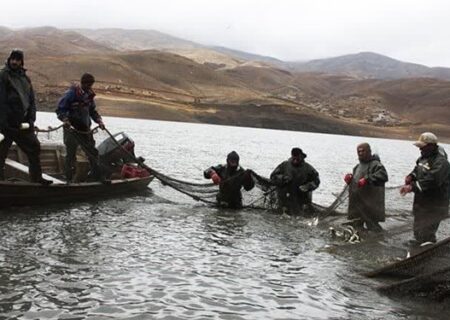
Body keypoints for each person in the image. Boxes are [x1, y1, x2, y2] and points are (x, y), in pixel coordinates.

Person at [0, 49, 52, 185]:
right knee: (0, 152)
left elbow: (31, 101)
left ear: (22, 62)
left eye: (17, 59)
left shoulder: (25, 79)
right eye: (13, 59)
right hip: (5, 124)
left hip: (22, 124)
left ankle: (37, 179)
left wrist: (31, 119)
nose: (14, 62)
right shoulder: (3, 75)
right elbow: (1, 101)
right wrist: (3, 122)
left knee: (34, 147)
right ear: (9, 59)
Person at [400, 132, 450, 244]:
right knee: (418, 226)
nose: (420, 149)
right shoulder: (422, 159)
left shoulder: (442, 162)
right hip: (422, 201)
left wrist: (411, 187)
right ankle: (418, 241)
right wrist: (411, 176)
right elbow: (417, 170)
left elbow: (433, 180)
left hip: (435, 203)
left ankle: (428, 245)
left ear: (431, 146)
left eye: (422, 147)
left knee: (428, 230)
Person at [56, 73, 106, 182]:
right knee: (71, 154)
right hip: (71, 129)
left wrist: (99, 121)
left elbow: (92, 111)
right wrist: (65, 120)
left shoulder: (89, 96)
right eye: (88, 85)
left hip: (85, 129)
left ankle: (98, 177)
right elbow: (60, 109)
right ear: (83, 83)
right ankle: (68, 179)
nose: (90, 87)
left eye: (91, 85)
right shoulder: (71, 94)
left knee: (92, 152)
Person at [344, 143, 388, 232]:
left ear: (369, 151)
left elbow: (383, 176)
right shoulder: (357, 167)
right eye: (358, 151)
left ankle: (378, 241)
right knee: (356, 226)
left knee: (373, 227)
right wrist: (349, 180)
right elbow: (355, 183)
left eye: (363, 151)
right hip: (358, 204)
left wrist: (367, 179)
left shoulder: (376, 165)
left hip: (370, 205)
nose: (360, 153)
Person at [270, 147, 320, 215]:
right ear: (291, 156)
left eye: (297, 159)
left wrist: (307, 186)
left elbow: (316, 181)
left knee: (299, 215)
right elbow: (272, 177)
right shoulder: (284, 165)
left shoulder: (308, 168)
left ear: (302, 157)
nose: (295, 161)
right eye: (294, 158)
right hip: (284, 198)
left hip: (301, 199)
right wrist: (283, 178)